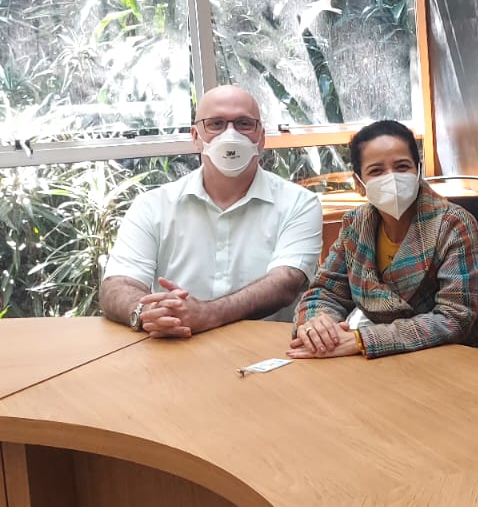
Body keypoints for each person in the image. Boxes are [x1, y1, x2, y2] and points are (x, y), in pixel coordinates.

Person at [100, 85, 322, 337]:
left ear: (261, 138)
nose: (230, 134)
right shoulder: (152, 206)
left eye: (244, 124)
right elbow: (117, 285)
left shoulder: (299, 203)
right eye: (216, 124)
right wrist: (146, 312)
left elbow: (285, 283)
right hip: (174, 347)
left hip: (266, 351)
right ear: (196, 136)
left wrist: (206, 315)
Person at [288, 120, 478, 359]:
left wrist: (363, 340)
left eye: (402, 167)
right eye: (376, 171)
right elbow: (325, 291)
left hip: (470, 360)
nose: (391, 178)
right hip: (395, 360)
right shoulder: (356, 225)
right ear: (359, 184)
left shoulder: (454, 224)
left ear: (418, 171)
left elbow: (454, 318)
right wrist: (318, 326)